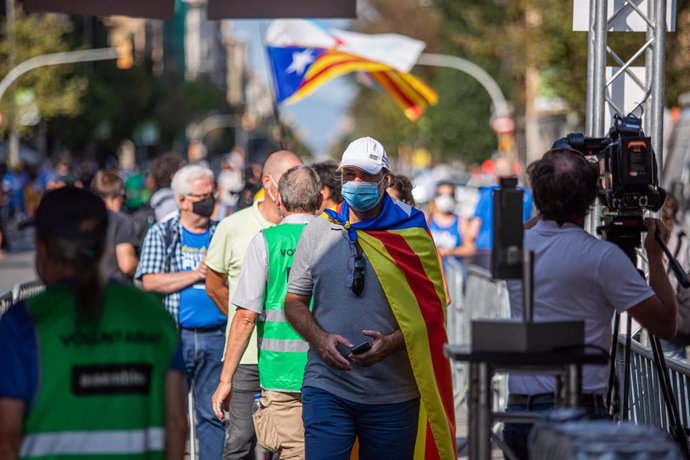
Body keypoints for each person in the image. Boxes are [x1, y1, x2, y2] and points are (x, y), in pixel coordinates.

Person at [284, 137, 456, 460]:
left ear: (385, 180)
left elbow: (432, 313)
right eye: (349, 175)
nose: (356, 183)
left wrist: (391, 343)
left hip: (393, 396)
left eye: (365, 175)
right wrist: (320, 340)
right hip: (327, 386)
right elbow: (293, 301)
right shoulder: (318, 230)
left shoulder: (412, 231)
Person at [502, 148, 678, 460]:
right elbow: (666, 324)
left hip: (520, 414)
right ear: (591, 198)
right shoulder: (602, 258)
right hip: (578, 418)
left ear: (537, 196)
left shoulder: (512, 247)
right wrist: (654, 254)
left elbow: (528, 226)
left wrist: (548, 195)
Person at [0, 186, 187, 459]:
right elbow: (177, 424)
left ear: (41, 246)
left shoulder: (23, 322)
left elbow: (7, 439)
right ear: (102, 245)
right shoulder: (153, 315)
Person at [211, 165, 322, 459]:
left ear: (280, 202)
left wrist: (226, 380)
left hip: (282, 375)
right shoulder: (338, 238)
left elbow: (246, 316)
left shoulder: (267, 241)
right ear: (320, 201)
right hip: (331, 372)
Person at [135, 164, 224, 460]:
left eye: (212, 194)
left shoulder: (221, 232)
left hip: (216, 337)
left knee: (213, 415)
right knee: (170, 415)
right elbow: (149, 280)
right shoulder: (163, 233)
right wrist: (197, 275)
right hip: (176, 338)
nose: (209, 200)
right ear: (183, 200)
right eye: (202, 195)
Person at [468, 157, 532, 270]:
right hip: (515, 250)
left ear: (495, 174)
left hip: (487, 250)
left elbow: (474, 229)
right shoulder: (526, 195)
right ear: (513, 172)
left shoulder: (486, 194)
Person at [91, 170, 139, 283]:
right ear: (119, 196)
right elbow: (127, 265)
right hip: (115, 290)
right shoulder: (121, 221)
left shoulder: (78, 219)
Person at [659, 193, 690, 361]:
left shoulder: (650, 245)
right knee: (675, 378)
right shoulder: (684, 244)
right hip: (674, 328)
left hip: (667, 326)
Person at [427, 181, 475, 275]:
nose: (445, 198)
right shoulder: (427, 219)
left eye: (449, 195)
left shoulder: (461, 221)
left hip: (453, 278)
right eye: (441, 194)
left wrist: (450, 252)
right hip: (431, 275)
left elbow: (470, 249)